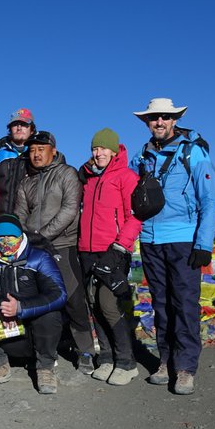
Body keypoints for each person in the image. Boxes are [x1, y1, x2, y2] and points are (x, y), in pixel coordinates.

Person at [130, 98, 215, 395]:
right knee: (161, 305)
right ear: (147, 122)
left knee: (185, 305)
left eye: (165, 117)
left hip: (183, 240)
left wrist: (203, 243)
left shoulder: (194, 152)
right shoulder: (143, 155)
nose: (159, 122)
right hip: (151, 240)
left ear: (175, 120)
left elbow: (208, 199)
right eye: (153, 118)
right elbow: (124, 181)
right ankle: (165, 360)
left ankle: (186, 368)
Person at [13, 131, 96, 373]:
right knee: (36, 300)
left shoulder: (67, 174)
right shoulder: (27, 181)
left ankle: (86, 351)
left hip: (62, 246)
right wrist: (27, 239)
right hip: (34, 249)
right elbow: (20, 214)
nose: (36, 154)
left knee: (73, 299)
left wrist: (42, 236)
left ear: (53, 149)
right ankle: (43, 351)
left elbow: (70, 210)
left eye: (40, 149)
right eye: (31, 150)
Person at [0, 215, 67, 394]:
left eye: (11, 237)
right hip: (1, 328)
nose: (6, 243)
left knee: (51, 315)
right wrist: (0, 307)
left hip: (33, 329)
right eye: (0, 239)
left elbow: (58, 294)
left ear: (20, 236)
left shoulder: (39, 258)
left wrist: (20, 308)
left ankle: (45, 368)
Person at [78, 128, 142, 385]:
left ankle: (126, 362)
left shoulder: (126, 177)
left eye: (103, 148)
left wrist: (121, 246)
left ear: (114, 151)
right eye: (95, 149)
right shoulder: (90, 179)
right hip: (87, 249)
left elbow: (135, 215)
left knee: (108, 303)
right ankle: (106, 358)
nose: (99, 153)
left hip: (113, 250)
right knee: (93, 303)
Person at [0, 109, 36, 222]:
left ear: (32, 130)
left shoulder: (37, 155)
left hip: (28, 223)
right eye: (15, 124)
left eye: (24, 124)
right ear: (10, 129)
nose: (19, 128)